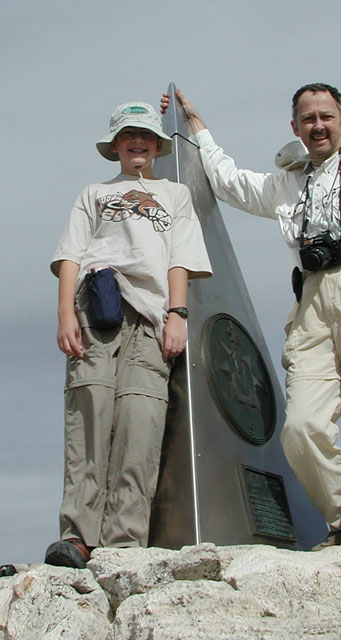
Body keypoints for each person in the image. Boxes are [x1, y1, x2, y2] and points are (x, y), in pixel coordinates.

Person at [161, 84, 341, 585]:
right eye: (308, 118)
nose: (318, 125)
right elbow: (229, 182)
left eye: (327, 116)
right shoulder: (288, 184)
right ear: (295, 128)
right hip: (312, 299)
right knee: (300, 429)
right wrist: (195, 128)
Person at [45, 101, 212, 568]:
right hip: (97, 304)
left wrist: (177, 313)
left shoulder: (175, 195)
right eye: (127, 136)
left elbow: (180, 256)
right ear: (114, 145)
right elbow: (71, 255)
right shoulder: (95, 192)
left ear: (157, 145)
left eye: (145, 135)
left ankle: (124, 542)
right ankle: (78, 535)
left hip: (152, 314)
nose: (136, 142)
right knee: (90, 412)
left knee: (142, 421)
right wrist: (64, 314)